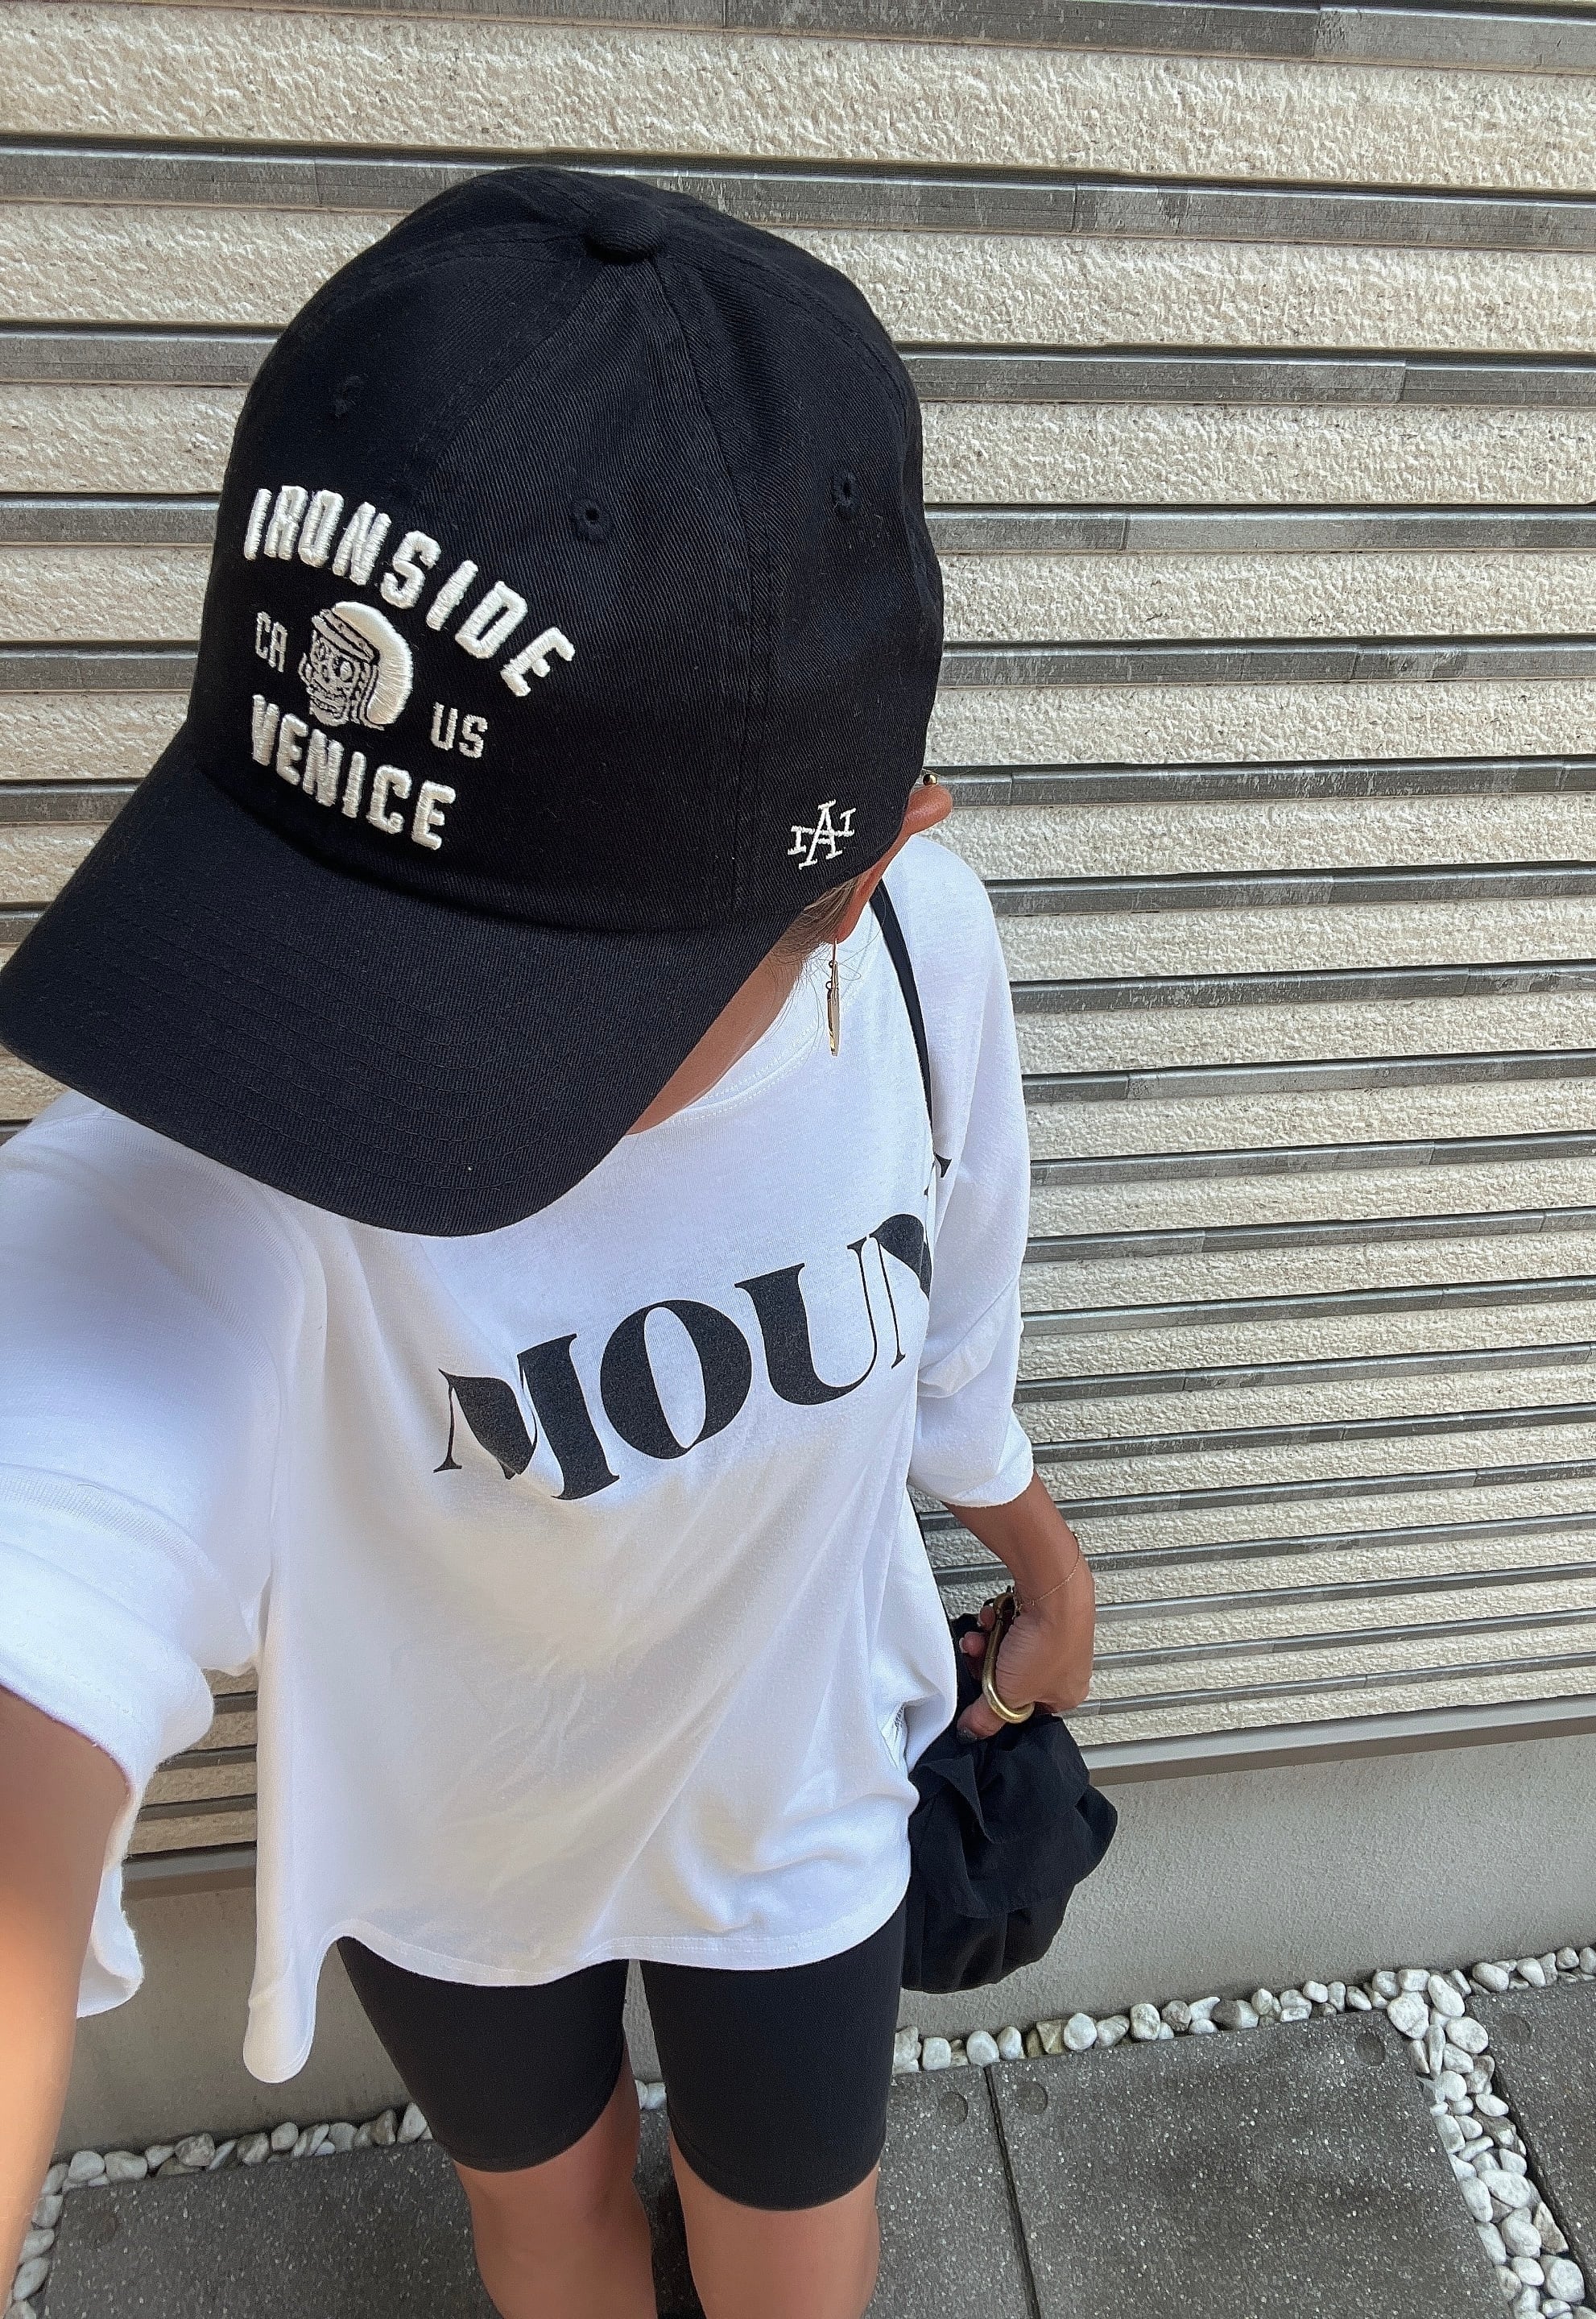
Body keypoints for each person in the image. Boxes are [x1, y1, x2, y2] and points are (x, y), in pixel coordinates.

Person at [0, 170, 1095, 2319]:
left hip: (790, 1778)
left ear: (867, 870)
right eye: (304, 932)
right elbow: (53, 1497)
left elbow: (952, 1329)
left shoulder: (924, 962)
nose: (338, 1057)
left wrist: (1044, 1567)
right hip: (453, 1830)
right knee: (548, 2214)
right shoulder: (224, 1145)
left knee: (795, 2238)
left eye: (500, 999)